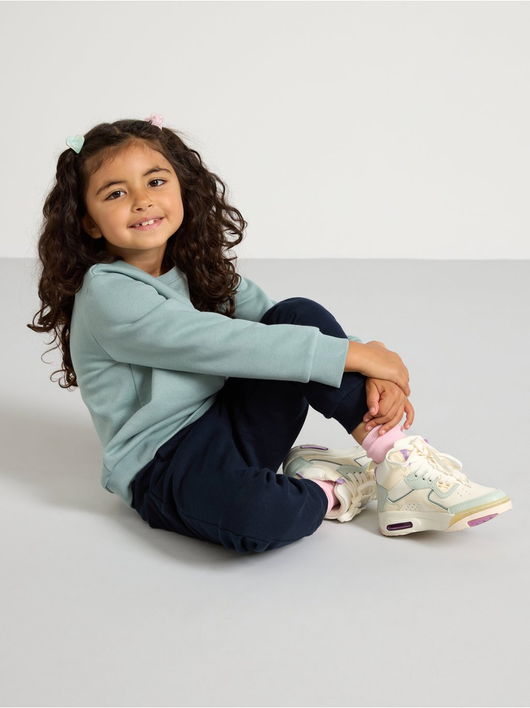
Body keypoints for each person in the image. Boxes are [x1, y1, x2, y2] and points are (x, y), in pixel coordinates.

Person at [27, 114, 512, 554]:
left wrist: (367, 360)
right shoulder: (107, 291)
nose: (142, 200)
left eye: (156, 181)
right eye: (115, 193)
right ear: (89, 222)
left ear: (183, 190)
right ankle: (336, 487)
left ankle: (397, 459)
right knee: (260, 517)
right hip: (163, 463)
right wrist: (357, 355)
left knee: (296, 313)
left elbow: (282, 327)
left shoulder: (194, 269)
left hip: (233, 419)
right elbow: (215, 341)